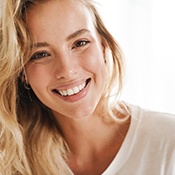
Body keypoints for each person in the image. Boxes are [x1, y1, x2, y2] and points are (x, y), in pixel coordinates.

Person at [0, 0, 175, 174]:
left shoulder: (168, 143)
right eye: (41, 54)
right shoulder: (11, 163)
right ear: (22, 72)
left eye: (80, 43)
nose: (67, 71)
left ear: (104, 46)